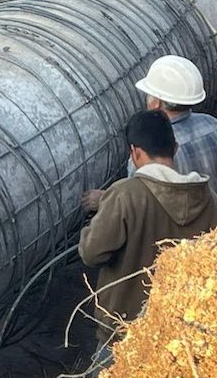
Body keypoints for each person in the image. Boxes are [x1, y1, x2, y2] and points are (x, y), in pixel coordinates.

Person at [78, 110, 217, 359]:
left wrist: (93, 225)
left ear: (135, 152)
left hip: (123, 330)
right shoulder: (208, 199)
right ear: (174, 148)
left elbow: (92, 253)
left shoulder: (124, 195)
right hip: (181, 330)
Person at [82, 55, 217, 211]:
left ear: (156, 103)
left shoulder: (149, 150)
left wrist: (106, 200)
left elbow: (141, 209)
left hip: (180, 234)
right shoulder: (212, 124)